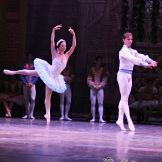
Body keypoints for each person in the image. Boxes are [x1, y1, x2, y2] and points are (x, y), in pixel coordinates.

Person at [3, 24, 76, 123]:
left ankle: (48, 114)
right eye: (63, 45)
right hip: (47, 71)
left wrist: (73, 34)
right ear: (59, 47)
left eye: (65, 45)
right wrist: (53, 30)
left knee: (48, 97)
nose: (65, 47)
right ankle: (13, 72)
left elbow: (74, 46)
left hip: (54, 78)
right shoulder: (54, 53)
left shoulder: (66, 55)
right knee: (30, 72)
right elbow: (51, 41)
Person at [116, 32, 157, 131]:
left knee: (124, 99)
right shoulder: (123, 51)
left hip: (129, 75)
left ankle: (120, 120)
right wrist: (146, 65)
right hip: (122, 75)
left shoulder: (132, 51)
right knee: (124, 99)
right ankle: (129, 121)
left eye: (131, 39)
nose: (130, 41)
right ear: (124, 40)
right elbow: (134, 60)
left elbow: (141, 56)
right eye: (128, 39)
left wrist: (151, 61)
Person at [87, 56, 108, 123]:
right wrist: (93, 85)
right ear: (95, 61)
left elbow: (105, 79)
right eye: (97, 61)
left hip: (100, 88)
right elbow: (89, 79)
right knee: (93, 103)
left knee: (100, 103)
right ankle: (93, 118)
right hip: (93, 88)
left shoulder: (103, 69)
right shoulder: (91, 69)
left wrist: (100, 85)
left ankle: (101, 118)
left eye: (100, 61)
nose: (99, 62)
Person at [20, 54, 38, 119]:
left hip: (32, 84)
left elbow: (36, 75)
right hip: (25, 84)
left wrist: (32, 83)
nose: (29, 58)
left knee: (33, 98)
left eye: (30, 56)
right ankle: (27, 114)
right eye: (28, 56)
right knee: (26, 99)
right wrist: (25, 83)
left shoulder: (35, 65)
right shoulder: (24, 65)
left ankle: (31, 114)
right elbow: (21, 75)